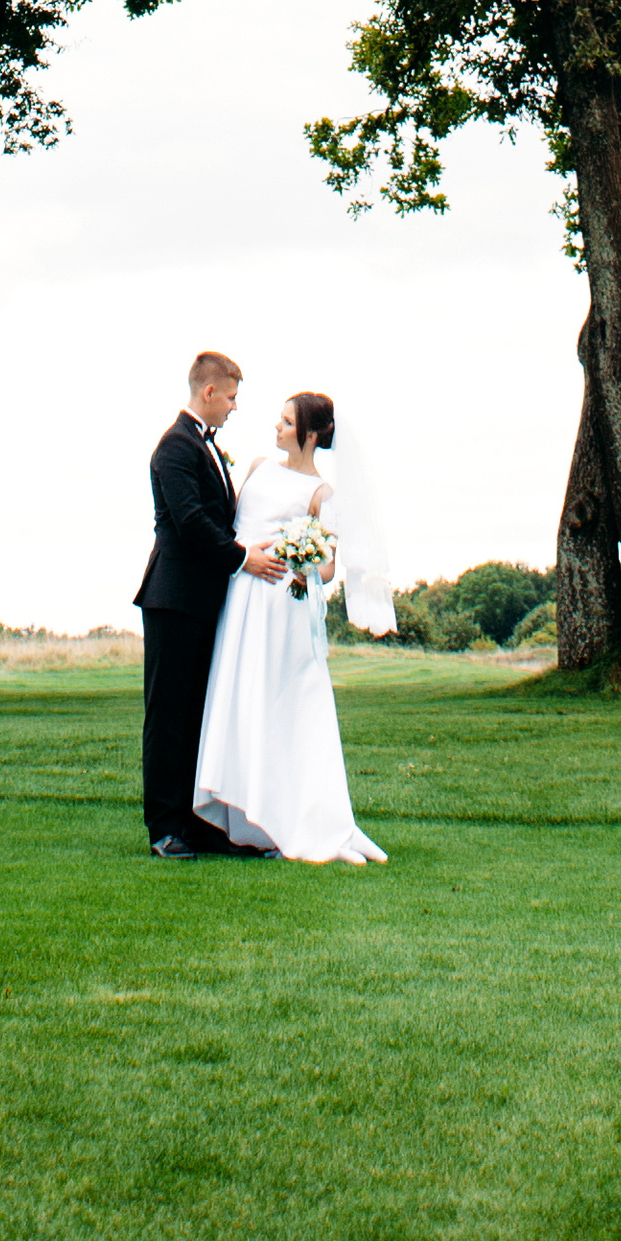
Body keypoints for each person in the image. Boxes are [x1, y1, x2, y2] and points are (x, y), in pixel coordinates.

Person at [192, 388, 386, 865]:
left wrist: (298, 558)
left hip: (281, 609)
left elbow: (326, 570)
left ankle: (300, 821)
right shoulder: (257, 467)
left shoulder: (321, 494)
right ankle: (246, 820)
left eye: (285, 421)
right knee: (239, 699)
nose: (276, 427)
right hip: (240, 601)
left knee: (282, 708)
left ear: (312, 433)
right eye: (278, 419)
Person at [135, 350, 282, 856]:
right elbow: (192, 522)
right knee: (169, 715)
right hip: (173, 599)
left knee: (200, 714)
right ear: (210, 392)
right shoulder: (174, 447)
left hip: (204, 602)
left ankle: (197, 824)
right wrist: (245, 559)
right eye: (233, 397)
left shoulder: (207, 447)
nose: (235, 408)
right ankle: (165, 830)